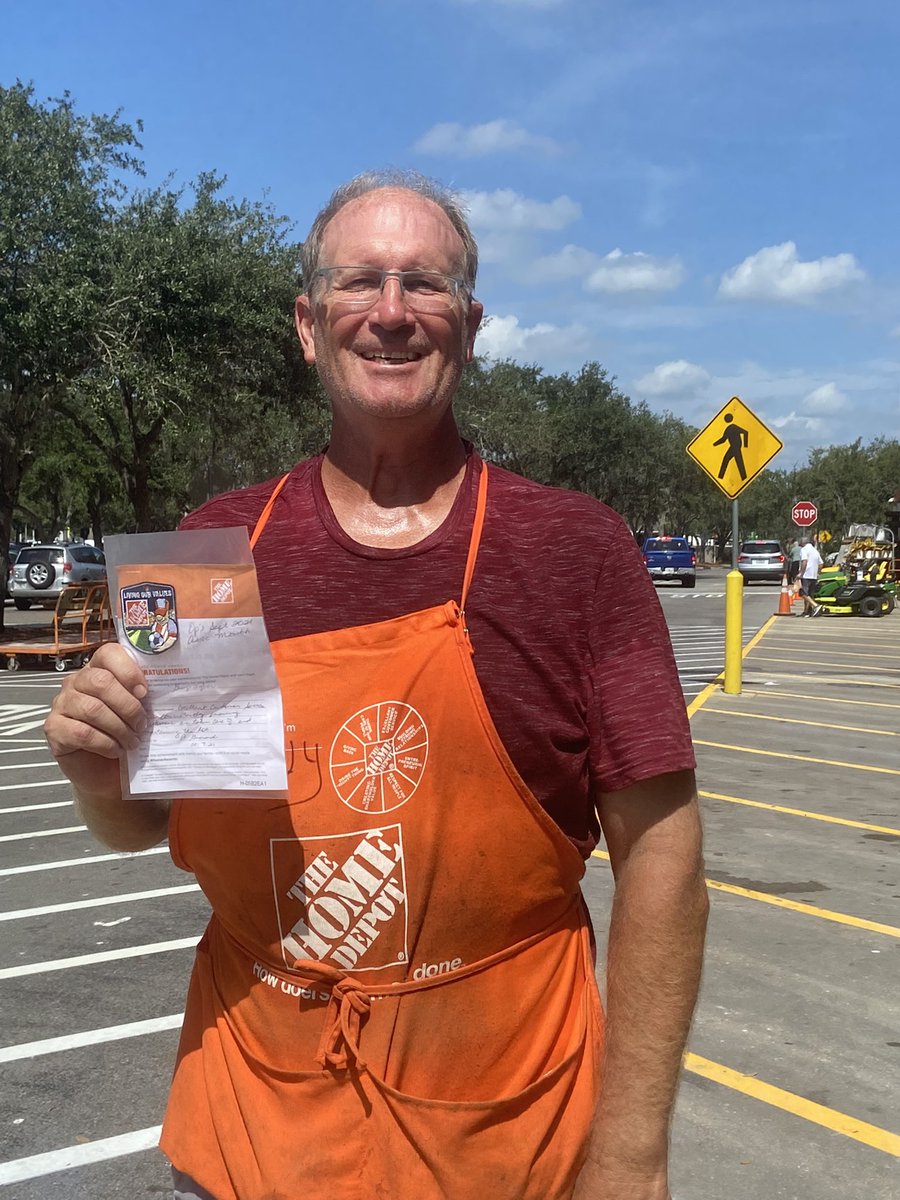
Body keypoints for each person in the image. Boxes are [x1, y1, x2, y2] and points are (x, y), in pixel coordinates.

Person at [44, 170, 708, 1200]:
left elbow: (664, 862)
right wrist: (97, 771)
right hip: (250, 1125)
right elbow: (151, 821)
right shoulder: (210, 549)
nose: (392, 313)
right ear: (309, 325)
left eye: (425, 285)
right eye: (360, 283)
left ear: (470, 324)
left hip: (506, 1132)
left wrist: (630, 1154)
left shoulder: (574, 548)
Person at [798, 536, 824, 616]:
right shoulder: (815, 550)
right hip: (814, 576)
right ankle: (807, 612)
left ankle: (816, 606)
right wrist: (817, 572)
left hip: (806, 575)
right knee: (809, 594)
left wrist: (801, 573)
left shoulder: (804, 550)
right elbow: (821, 564)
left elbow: (804, 561)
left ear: (803, 543)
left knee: (803, 593)